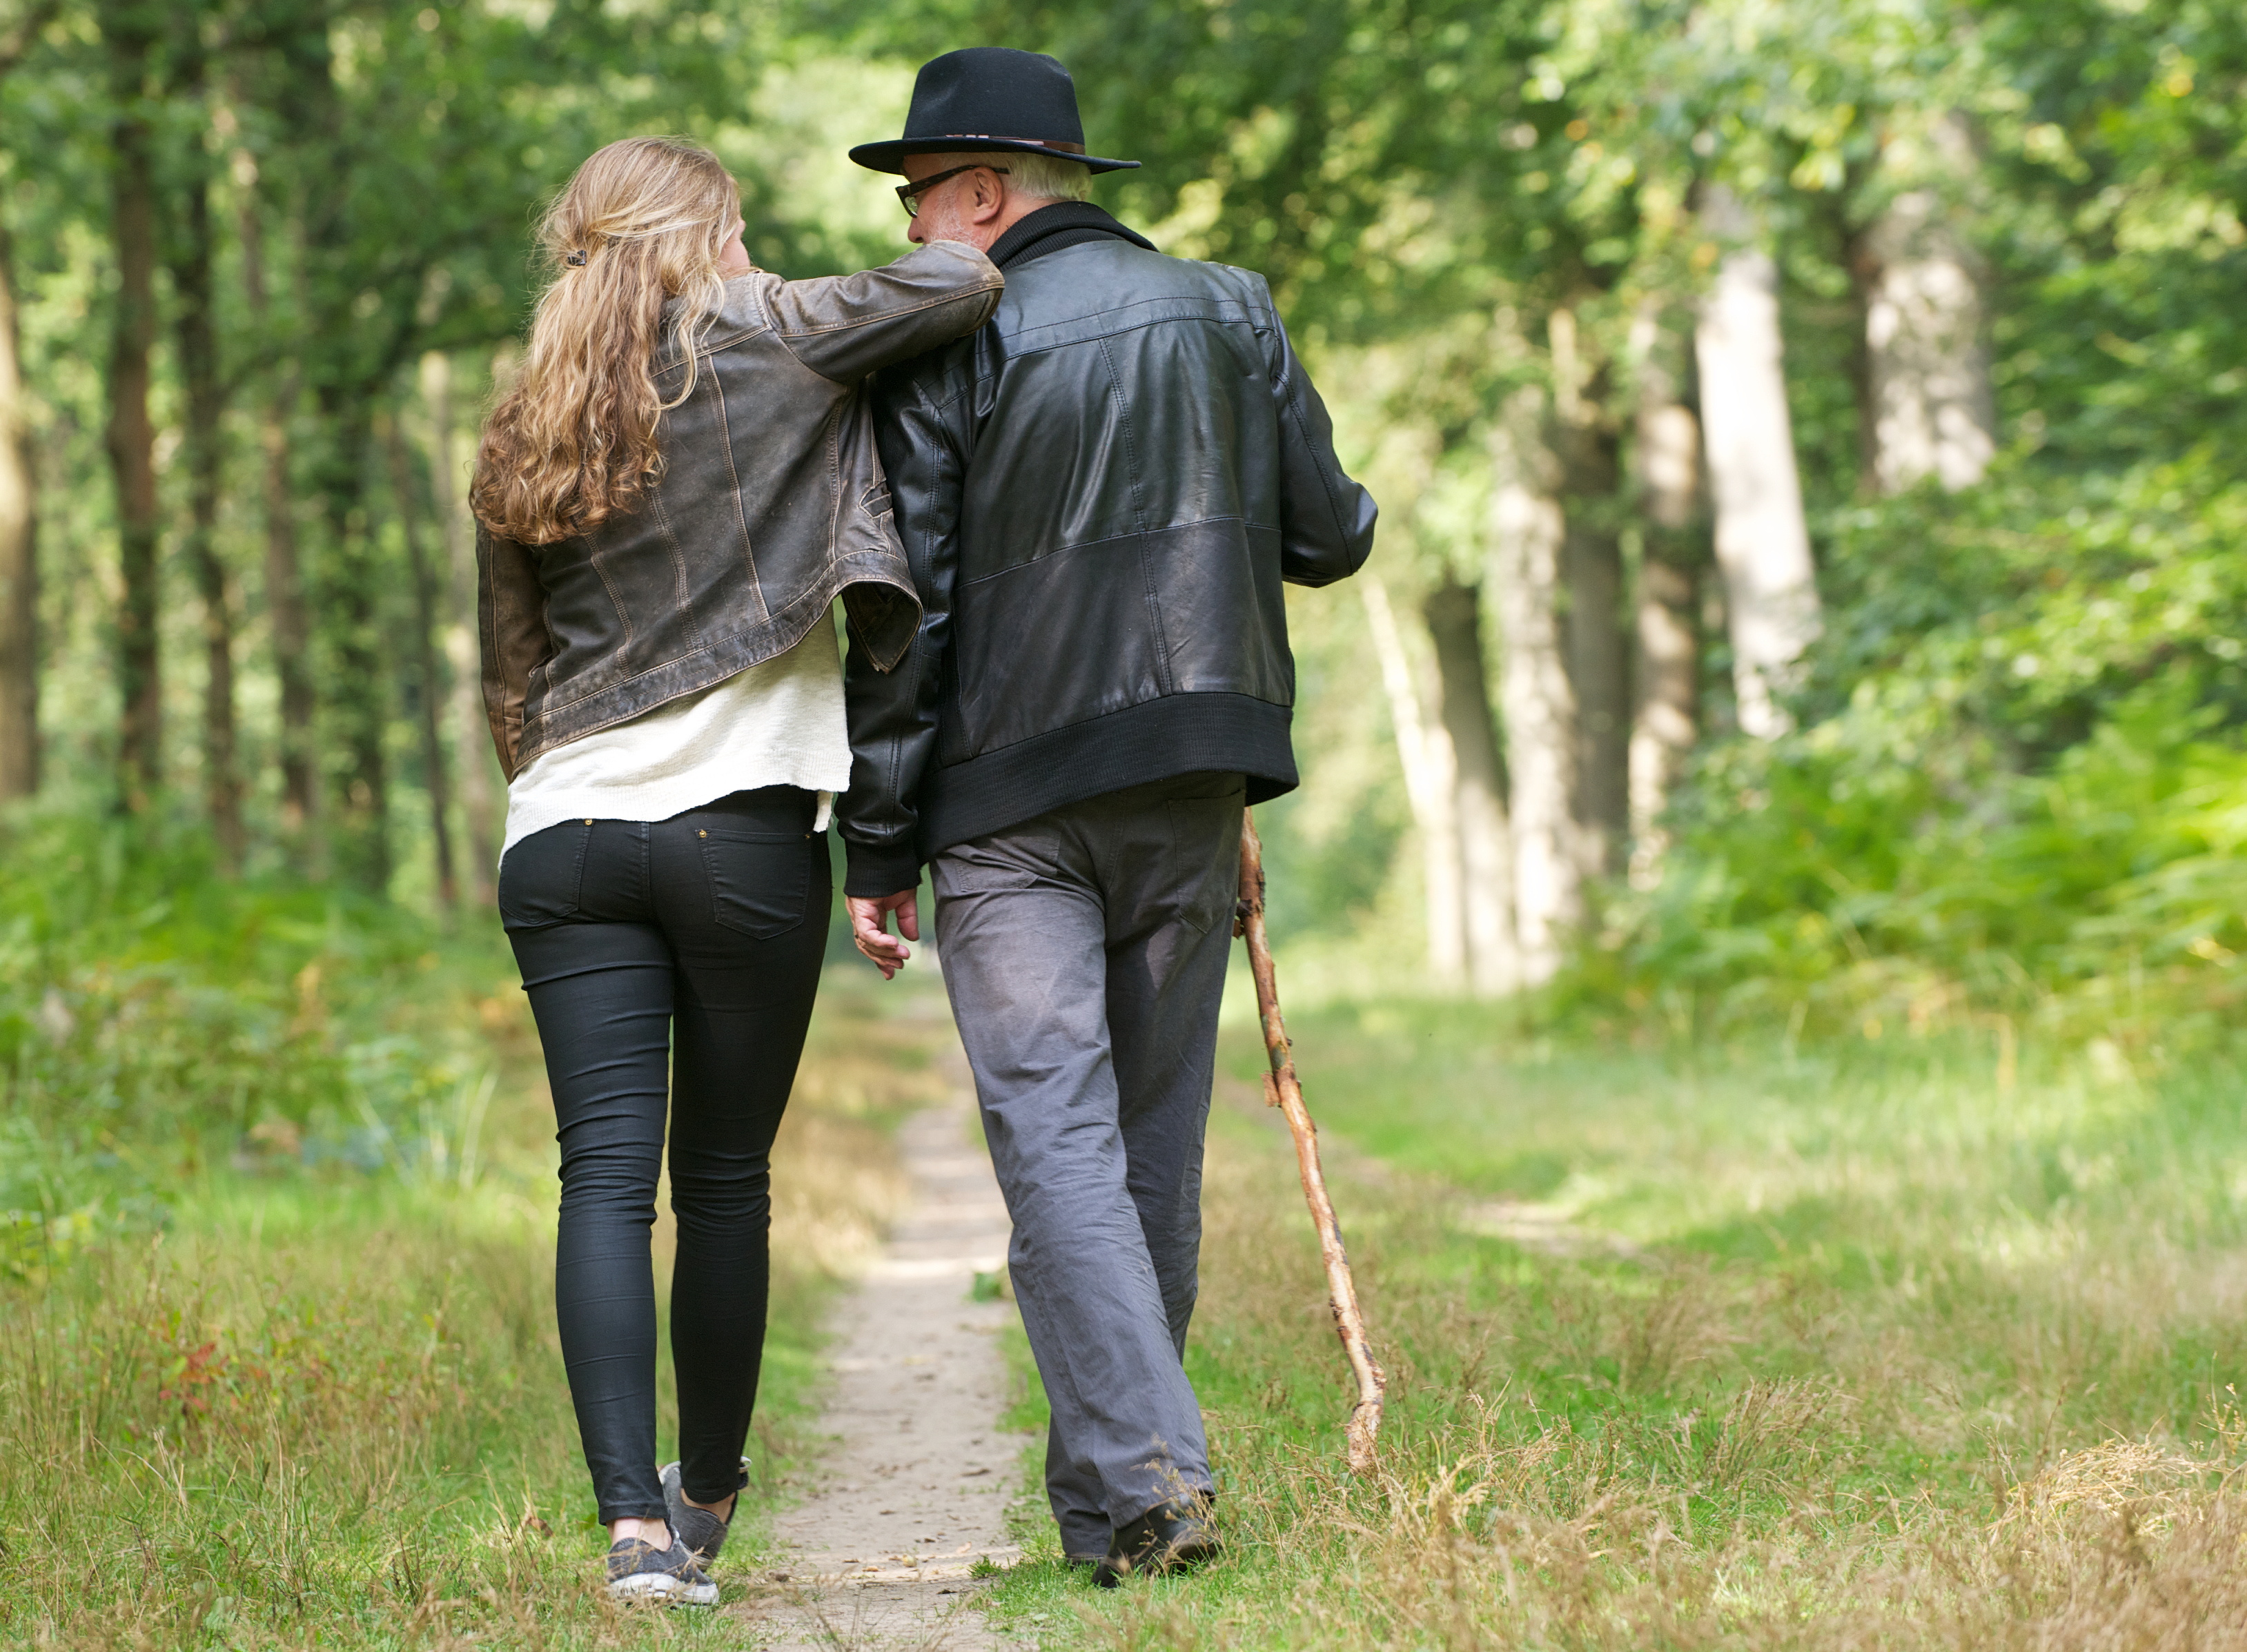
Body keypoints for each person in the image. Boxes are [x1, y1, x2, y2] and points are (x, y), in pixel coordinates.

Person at [834, 50, 1377, 1586]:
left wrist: (875, 841)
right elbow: (1330, 536)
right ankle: (1123, 1509)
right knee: (1149, 1138)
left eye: (917, 201)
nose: (909, 235)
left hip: (1009, 798)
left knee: (1056, 1143)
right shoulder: (1232, 308)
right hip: (1199, 769)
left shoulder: (951, 339)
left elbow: (902, 614)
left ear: (986, 196)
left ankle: (1148, 1474)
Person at [471, 135, 1001, 1605]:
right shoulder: (767, 333)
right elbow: (956, 278)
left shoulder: (523, 420)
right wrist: (761, 283)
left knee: (598, 1181)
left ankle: (629, 1535)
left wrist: (564, 779)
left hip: (565, 837)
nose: (753, 249)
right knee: (718, 1182)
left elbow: (509, 677)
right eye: (737, 228)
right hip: (739, 832)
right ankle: (703, 1497)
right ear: (701, 237)